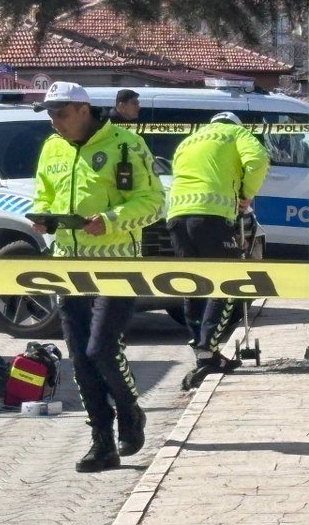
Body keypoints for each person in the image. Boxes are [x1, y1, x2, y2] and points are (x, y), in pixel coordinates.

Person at [31, 81, 164, 472]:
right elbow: (44, 194)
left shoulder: (125, 144)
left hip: (117, 265)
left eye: (61, 114)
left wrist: (110, 221)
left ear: (83, 109)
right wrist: (42, 216)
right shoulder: (51, 147)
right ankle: (102, 443)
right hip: (67, 266)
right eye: (50, 114)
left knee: (100, 349)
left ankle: (130, 411)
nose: (54, 122)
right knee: (79, 357)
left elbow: (155, 202)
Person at [167, 111, 270, 390]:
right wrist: (247, 194)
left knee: (194, 284)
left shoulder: (189, 140)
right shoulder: (236, 134)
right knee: (228, 281)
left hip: (176, 215)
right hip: (211, 215)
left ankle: (202, 348)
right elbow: (259, 159)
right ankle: (207, 351)